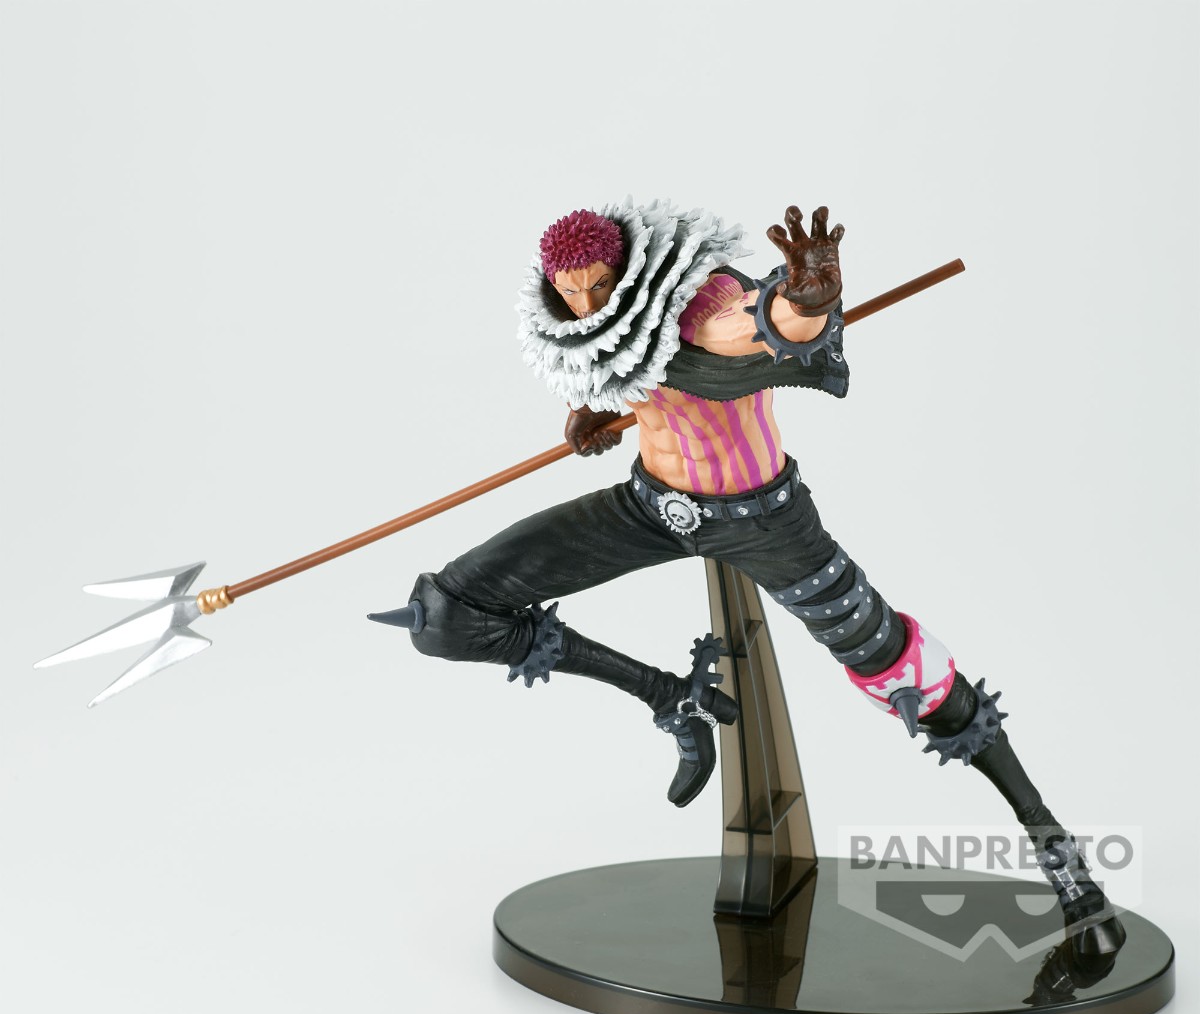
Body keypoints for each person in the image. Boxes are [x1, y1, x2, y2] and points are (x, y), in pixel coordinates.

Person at [370, 199, 1122, 955]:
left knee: (905, 675)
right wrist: (588, 415)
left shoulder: (697, 296)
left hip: (762, 520)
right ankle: (669, 697)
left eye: (599, 286)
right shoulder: (589, 327)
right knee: (448, 615)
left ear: (627, 267)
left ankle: (1062, 861)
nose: (587, 303)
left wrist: (805, 299)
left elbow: (750, 327)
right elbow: (609, 373)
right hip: (651, 508)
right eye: (571, 292)